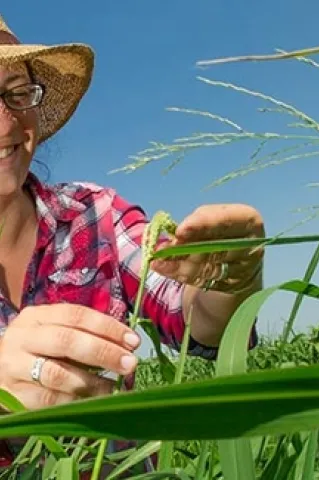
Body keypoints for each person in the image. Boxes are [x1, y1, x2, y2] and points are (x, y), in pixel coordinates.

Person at [0, 14, 264, 474]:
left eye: (16, 92)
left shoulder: (94, 215)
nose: (4, 123)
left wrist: (227, 278)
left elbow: (193, 315)